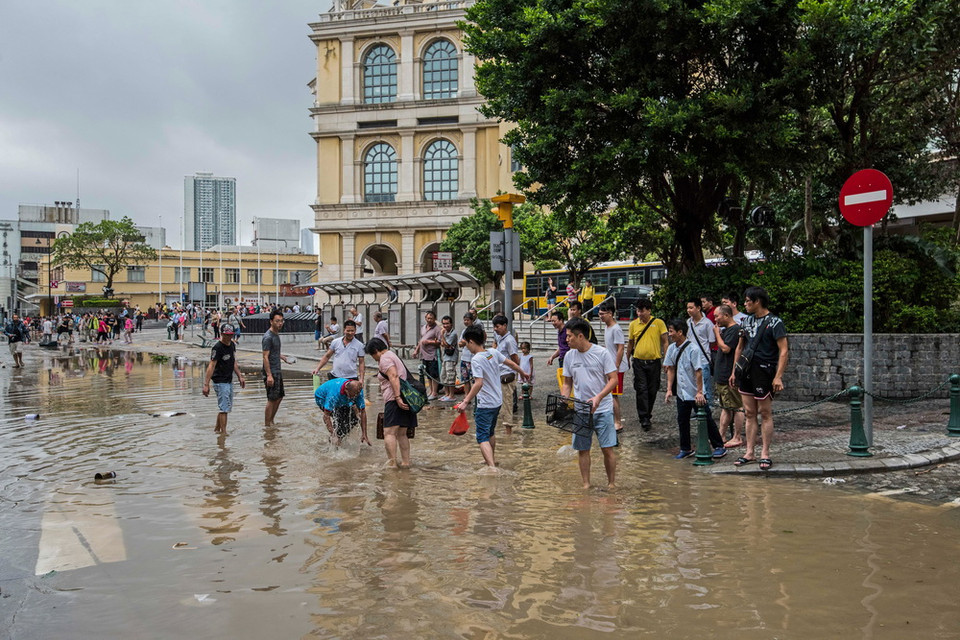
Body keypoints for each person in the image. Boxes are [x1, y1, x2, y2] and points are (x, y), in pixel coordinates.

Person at [730, 286, 789, 471]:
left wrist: (778, 376)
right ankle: (749, 451)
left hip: (764, 371)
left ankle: (765, 452)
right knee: (748, 412)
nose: (745, 304)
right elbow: (740, 347)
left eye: (748, 301)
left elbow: (784, 350)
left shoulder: (775, 322)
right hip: (746, 370)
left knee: (765, 412)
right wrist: (734, 371)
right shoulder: (745, 322)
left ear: (757, 301)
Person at [454, 325, 529, 469]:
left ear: (471, 341)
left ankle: (492, 468)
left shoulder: (476, 359)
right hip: (496, 402)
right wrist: (523, 372)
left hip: (485, 403)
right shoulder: (492, 352)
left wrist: (465, 401)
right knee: (490, 432)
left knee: (481, 436)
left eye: (466, 343)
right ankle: (491, 460)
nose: (466, 346)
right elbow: (511, 363)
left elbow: (478, 384)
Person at [561, 317, 619, 489]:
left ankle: (612, 484)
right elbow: (567, 382)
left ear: (580, 336)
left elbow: (613, 379)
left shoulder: (602, 353)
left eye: (569, 336)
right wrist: (564, 397)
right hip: (580, 410)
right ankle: (586, 484)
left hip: (603, 408)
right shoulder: (569, 356)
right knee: (582, 449)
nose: (566, 339)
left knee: (607, 448)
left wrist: (599, 397)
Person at [663, 319, 726, 460]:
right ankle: (685, 448)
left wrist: (699, 392)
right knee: (682, 420)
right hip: (681, 392)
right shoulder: (672, 349)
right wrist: (669, 389)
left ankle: (719, 446)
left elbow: (698, 371)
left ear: (680, 332)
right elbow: (670, 369)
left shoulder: (693, 349)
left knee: (706, 419)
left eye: (672, 331)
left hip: (695, 392)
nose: (670, 334)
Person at [365, 337, 416, 468]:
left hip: (395, 399)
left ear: (376, 350)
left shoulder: (385, 359)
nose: (374, 358)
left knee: (389, 432)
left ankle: (392, 464)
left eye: (372, 355)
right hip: (406, 398)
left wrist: (397, 397)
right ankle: (406, 463)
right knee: (402, 433)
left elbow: (393, 376)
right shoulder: (392, 355)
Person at [628, 298, 668, 432]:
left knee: (652, 389)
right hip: (638, 362)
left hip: (654, 362)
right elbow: (630, 343)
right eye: (638, 311)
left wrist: (667, 359)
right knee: (641, 390)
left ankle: (648, 413)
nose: (640, 314)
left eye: (642, 311)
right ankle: (644, 418)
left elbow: (665, 342)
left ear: (649, 310)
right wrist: (626, 358)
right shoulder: (633, 325)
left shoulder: (658, 323)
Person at [202, 324, 246, 435]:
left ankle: (217, 429)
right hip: (220, 381)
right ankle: (224, 434)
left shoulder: (232, 345)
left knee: (224, 407)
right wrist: (206, 384)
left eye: (230, 335)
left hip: (228, 380)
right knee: (224, 409)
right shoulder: (217, 348)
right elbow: (211, 365)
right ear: (222, 334)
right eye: (226, 335)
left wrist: (240, 376)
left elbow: (233, 361)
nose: (228, 338)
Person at [712, 304, 745, 448]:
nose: (715, 319)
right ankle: (721, 435)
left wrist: (717, 334)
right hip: (721, 375)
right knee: (725, 406)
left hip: (728, 376)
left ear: (726, 315)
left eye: (717, 316)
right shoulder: (728, 330)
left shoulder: (734, 330)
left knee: (736, 406)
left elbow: (725, 348)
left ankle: (737, 436)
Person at [598, 301, 630, 433]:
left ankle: (618, 422)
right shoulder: (607, 327)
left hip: (617, 367)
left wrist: (616, 366)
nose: (600, 316)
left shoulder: (616, 329)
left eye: (602, 314)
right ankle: (613, 420)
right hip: (610, 366)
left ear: (610, 314)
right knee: (610, 394)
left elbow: (621, 348)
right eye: (599, 314)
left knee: (614, 395)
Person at [314, 377, 370, 447]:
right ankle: (335, 438)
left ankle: (338, 438)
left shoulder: (358, 391)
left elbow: (362, 412)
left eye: (355, 397)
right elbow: (326, 416)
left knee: (354, 419)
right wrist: (333, 434)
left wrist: (364, 433)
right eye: (351, 396)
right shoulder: (334, 395)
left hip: (341, 399)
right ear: (346, 390)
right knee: (340, 419)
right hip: (322, 398)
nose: (353, 398)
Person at [261, 309, 292, 427]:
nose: (280, 323)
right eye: (277, 321)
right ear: (271, 321)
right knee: (272, 398)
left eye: (281, 321)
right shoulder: (268, 337)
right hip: (271, 371)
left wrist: (282, 357)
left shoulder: (276, 334)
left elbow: (273, 352)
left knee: (279, 397)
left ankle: (271, 420)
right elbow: (265, 357)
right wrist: (269, 375)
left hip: (277, 370)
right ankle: (267, 425)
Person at [491, 315, 520, 434]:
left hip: (507, 376)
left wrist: (517, 373)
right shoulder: (500, 339)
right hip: (500, 374)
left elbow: (515, 359)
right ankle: (504, 429)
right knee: (502, 403)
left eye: (497, 327)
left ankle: (508, 432)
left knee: (507, 404)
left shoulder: (509, 340)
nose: (495, 329)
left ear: (504, 326)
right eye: (494, 327)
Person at [686, 297, 716, 407]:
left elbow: (712, 342)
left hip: (703, 359)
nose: (689, 310)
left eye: (691, 308)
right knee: (694, 385)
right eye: (687, 308)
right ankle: (697, 408)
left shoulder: (707, 323)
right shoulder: (688, 322)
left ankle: (708, 408)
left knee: (705, 386)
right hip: (691, 359)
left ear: (698, 308)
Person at [412, 310, 441, 400]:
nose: (429, 320)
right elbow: (420, 340)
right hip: (424, 355)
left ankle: (435, 392)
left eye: (431, 318)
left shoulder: (437, 329)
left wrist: (429, 342)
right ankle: (431, 391)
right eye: (428, 318)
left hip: (433, 355)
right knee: (428, 374)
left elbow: (440, 342)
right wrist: (416, 351)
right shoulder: (423, 327)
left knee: (434, 374)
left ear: (434, 319)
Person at [546, 309, 569, 392]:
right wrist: (552, 357)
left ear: (561, 320)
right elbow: (561, 347)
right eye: (551, 321)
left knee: (568, 381)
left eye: (554, 321)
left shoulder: (567, 331)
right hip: (562, 359)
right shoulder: (559, 331)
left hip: (568, 359)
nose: (553, 323)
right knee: (564, 380)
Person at [438, 315, 459, 402]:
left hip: (451, 358)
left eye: (447, 324)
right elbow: (442, 344)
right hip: (445, 357)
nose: (445, 326)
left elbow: (446, 344)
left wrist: (442, 335)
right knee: (444, 376)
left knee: (450, 376)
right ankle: (447, 394)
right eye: (444, 324)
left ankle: (451, 395)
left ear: (451, 324)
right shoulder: (445, 332)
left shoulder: (453, 333)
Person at [458, 312, 477, 398]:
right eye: (465, 320)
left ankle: (475, 397)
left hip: (472, 358)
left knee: (474, 379)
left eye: (468, 320)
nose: (466, 322)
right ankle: (467, 396)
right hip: (464, 357)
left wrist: (465, 342)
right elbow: (460, 343)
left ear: (472, 320)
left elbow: (472, 343)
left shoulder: (475, 330)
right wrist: (465, 343)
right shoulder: (464, 331)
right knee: (465, 379)